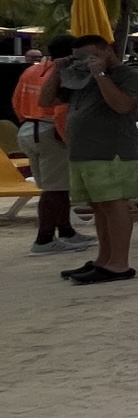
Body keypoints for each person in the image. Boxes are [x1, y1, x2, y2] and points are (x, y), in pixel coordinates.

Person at [43, 34, 138, 285]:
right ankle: (105, 260)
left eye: (92, 54)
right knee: (99, 207)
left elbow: (122, 105)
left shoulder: (127, 75)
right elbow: (44, 101)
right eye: (80, 56)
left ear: (107, 51)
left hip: (111, 151)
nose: (86, 60)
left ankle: (119, 263)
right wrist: (57, 71)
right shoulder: (80, 77)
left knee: (114, 204)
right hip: (83, 151)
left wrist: (101, 75)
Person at [14, 37, 91, 256]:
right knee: (55, 189)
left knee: (56, 186)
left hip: (29, 127)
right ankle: (44, 238)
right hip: (51, 130)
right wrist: (63, 135)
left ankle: (65, 231)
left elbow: (16, 101)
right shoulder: (64, 73)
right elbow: (60, 108)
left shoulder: (31, 71)